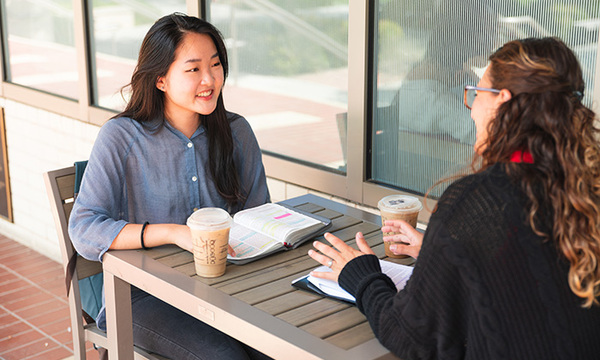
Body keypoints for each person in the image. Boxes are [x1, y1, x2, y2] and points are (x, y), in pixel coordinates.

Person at [308, 37, 600, 359]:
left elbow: (412, 338)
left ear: (502, 101)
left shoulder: (480, 200)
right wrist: (442, 252)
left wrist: (361, 275)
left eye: (477, 94)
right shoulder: (584, 186)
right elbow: (535, 277)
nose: (471, 107)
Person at [69, 13, 271, 360]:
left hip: (225, 286)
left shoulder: (237, 133)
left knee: (279, 349)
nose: (209, 79)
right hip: (143, 296)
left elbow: (259, 216)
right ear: (160, 79)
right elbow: (84, 228)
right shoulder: (121, 138)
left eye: (216, 64)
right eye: (193, 69)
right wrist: (173, 233)